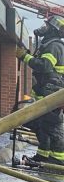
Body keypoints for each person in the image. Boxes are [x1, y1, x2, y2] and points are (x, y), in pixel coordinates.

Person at [16, 15, 64, 167]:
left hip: (52, 92)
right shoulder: (48, 44)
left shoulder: (54, 46)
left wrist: (25, 57)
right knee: (40, 124)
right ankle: (43, 155)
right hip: (46, 90)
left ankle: (57, 159)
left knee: (52, 125)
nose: (44, 28)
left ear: (54, 30)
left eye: (47, 26)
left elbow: (44, 66)